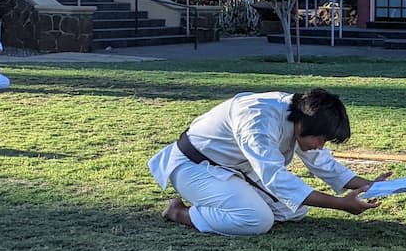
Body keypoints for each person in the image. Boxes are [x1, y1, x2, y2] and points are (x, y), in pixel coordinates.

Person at [150, 88, 386, 236]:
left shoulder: (300, 116)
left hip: (235, 168)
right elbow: (276, 179)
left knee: (295, 210)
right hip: (194, 167)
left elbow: (322, 163)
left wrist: (368, 186)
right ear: (305, 124)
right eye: (321, 138)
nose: (321, 145)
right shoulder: (257, 120)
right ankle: (179, 212)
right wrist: (341, 204)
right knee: (257, 219)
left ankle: (229, 202)